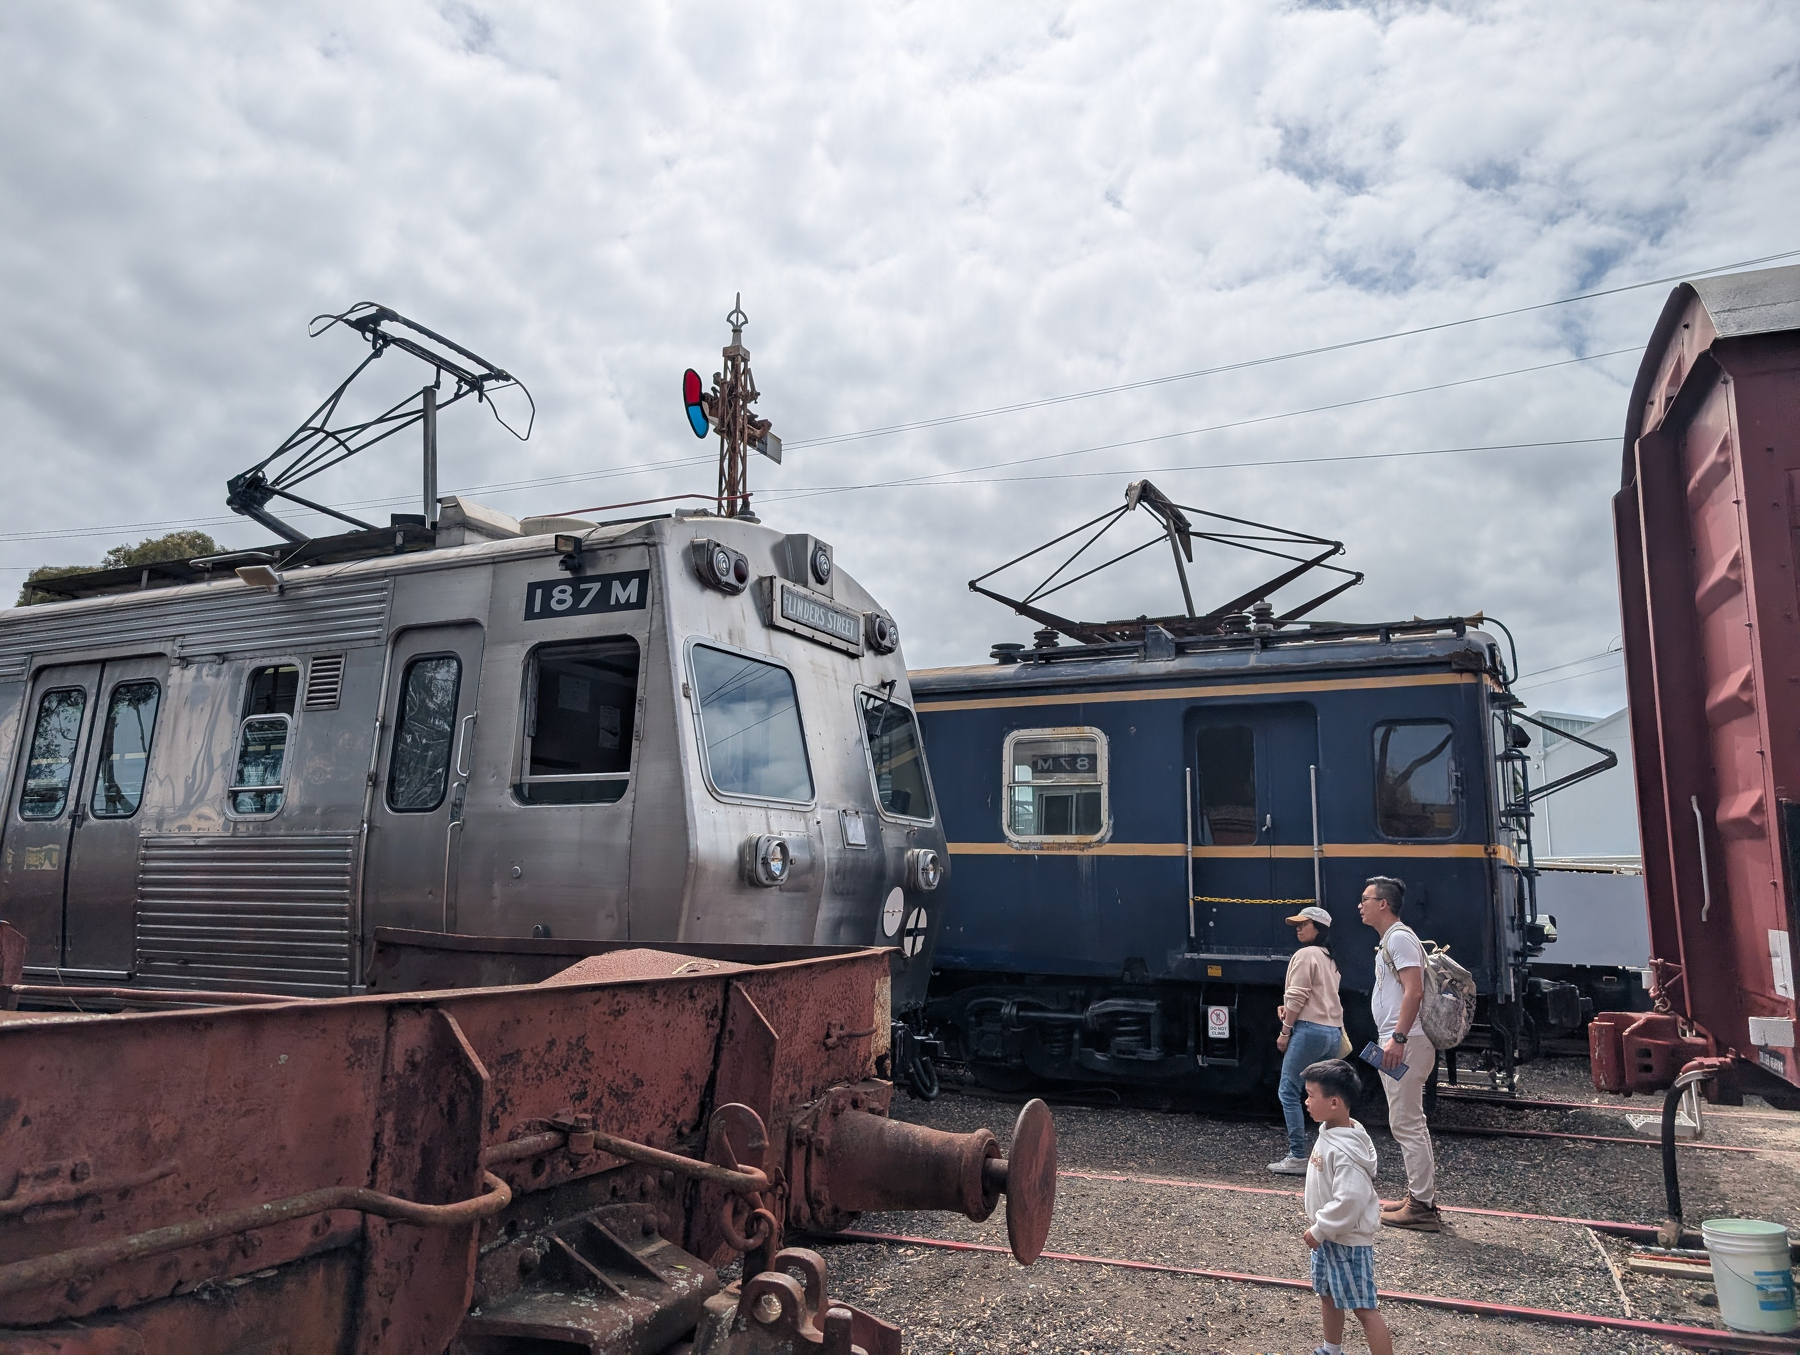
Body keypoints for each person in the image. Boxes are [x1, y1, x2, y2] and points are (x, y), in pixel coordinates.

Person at [1357, 875, 1441, 1232]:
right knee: (1406, 1122)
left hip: (1407, 1042)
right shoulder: (1392, 939)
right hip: (1401, 1041)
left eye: (1365, 899)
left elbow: (1414, 991)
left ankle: (1421, 1207)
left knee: (1408, 1123)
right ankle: (1418, 1198)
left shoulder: (1400, 938)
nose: (1360, 905)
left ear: (1383, 904)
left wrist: (1398, 1038)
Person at [1299, 1057, 1393, 1355]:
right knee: (1327, 1294)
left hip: (1347, 1241)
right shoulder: (1331, 1130)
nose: (1306, 1101)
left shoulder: (1346, 1152)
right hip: (1330, 1237)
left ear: (1334, 1103)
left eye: (1311, 1095)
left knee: (1364, 1309)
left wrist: (1320, 1228)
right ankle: (1331, 1349)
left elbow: (1349, 1201)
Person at [1268, 904, 1345, 1175]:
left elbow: (1297, 996)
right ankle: (1332, 1156)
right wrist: (1289, 1010)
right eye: (1297, 925)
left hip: (1309, 1031)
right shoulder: (1329, 958)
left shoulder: (1305, 955)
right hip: (1332, 1032)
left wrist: (1285, 1031)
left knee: (1288, 1090)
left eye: (1304, 924)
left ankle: (1298, 1156)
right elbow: (1318, 997)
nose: (1299, 929)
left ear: (1319, 928)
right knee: (1326, 1094)